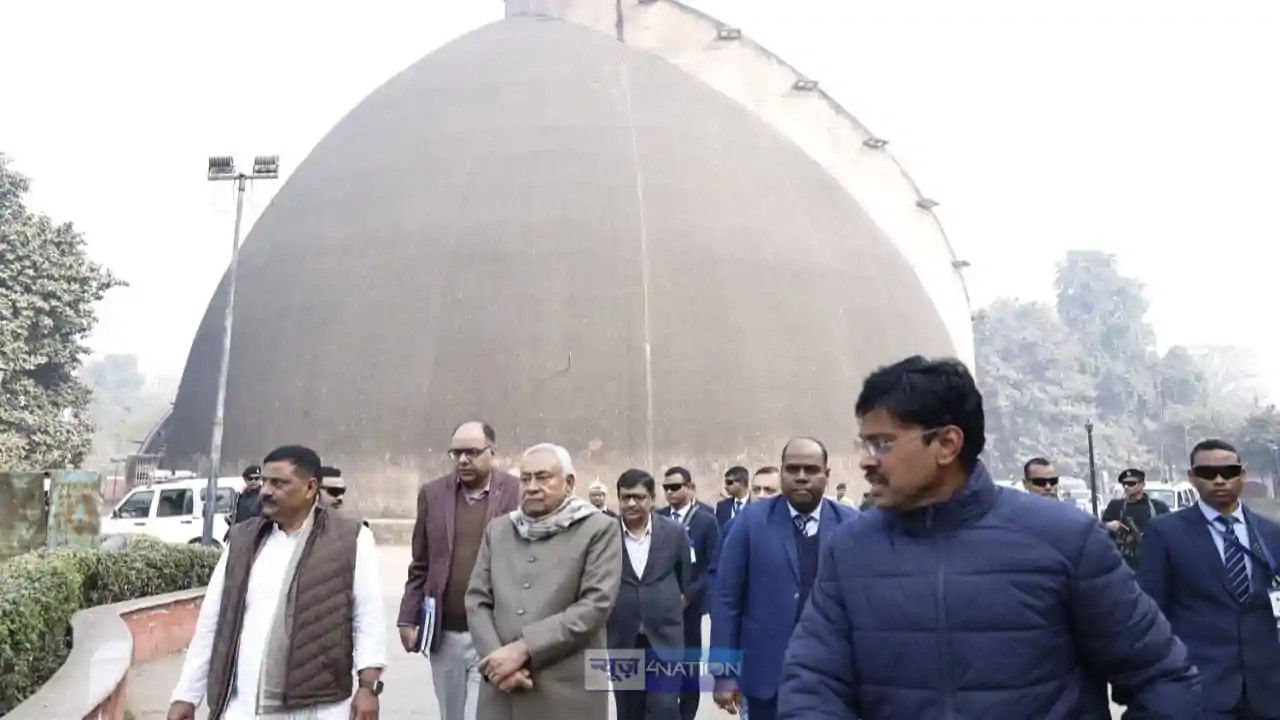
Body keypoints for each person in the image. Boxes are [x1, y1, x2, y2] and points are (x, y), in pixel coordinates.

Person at [778, 356, 1199, 720]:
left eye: (882, 443)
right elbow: (812, 683)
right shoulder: (850, 549)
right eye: (865, 444)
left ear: (947, 444)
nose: (867, 462)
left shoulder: (1065, 540)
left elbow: (1161, 676)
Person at [166, 445, 386, 720]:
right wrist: (186, 696)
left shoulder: (351, 539)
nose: (266, 491)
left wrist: (368, 688)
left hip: (318, 707)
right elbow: (212, 622)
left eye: (279, 483)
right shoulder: (242, 540)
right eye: (265, 481)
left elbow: (368, 618)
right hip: (242, 706)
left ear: (310, 488)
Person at [465, 443, 622, 720]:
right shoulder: (498, 530)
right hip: (502, 690)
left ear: (569, 483)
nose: (532, 487)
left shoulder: (598, 529)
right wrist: (498, 661)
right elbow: (477, 600)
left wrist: (523, 648)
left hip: (568, 693)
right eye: (525, 479)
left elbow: (594, 605)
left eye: (543, 477)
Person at [710, 437, 858, 720]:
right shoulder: (751, 522)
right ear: (782, 473)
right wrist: (723, 673)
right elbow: (726, 599)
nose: (801, 477)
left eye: (811, 470)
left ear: (826, 475)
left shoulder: (850, 525)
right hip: (766, 678)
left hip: (832, 678)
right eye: (793, 469)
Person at [1138, 439, 1280, 719]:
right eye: (1207, 473)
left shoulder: (1271, 533)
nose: (1219, 480)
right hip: (1201, 690)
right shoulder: (1164, 532)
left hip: (1267, 691)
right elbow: (1151, 612)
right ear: (1191, 477)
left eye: (1228, 472)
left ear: (1242, 474)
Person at [398, 421, 520, 720]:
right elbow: (421, 563)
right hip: (446, 632)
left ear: (492, 452)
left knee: (482, 714)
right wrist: (407, 616)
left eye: (472, 452)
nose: (463, 460)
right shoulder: (432, 494)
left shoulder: (516, 492)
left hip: (494, 631)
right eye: (457, 453)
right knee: (452, 715)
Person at [608, 468, 690, 720]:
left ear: (652, 499)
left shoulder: (674, 533)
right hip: (623, 638)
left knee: (665, 708)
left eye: (639, 497)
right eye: (626, 497)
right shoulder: (605, 535)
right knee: (628, 710)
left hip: (665, 638)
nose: (632, 503)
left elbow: (684, 577)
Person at [657, 466, 721, 720]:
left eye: (675, 487)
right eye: (666, 488)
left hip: (689, 605)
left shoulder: (706, 520)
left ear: (689, 487)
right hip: (660, 603)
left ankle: (687, 714)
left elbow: (712, 564)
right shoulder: (657, 517)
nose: (670, 492)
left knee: (689, 665)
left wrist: (689, 596)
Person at [1102, 468, 1170, 569]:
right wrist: (1109, 526)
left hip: (1151, 561)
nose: (1126, 487)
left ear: (1142, 485)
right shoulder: (1115, 506)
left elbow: (1170, 533)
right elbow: (1098, 530)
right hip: (1123, 563)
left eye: (1131, 484)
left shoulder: (1158, 507)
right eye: (1124, 484)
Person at [716, 466, 751, 530]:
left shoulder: (756, 505)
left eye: (729, 482)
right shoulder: (722, 506)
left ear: (741, 483)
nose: (726, 487)